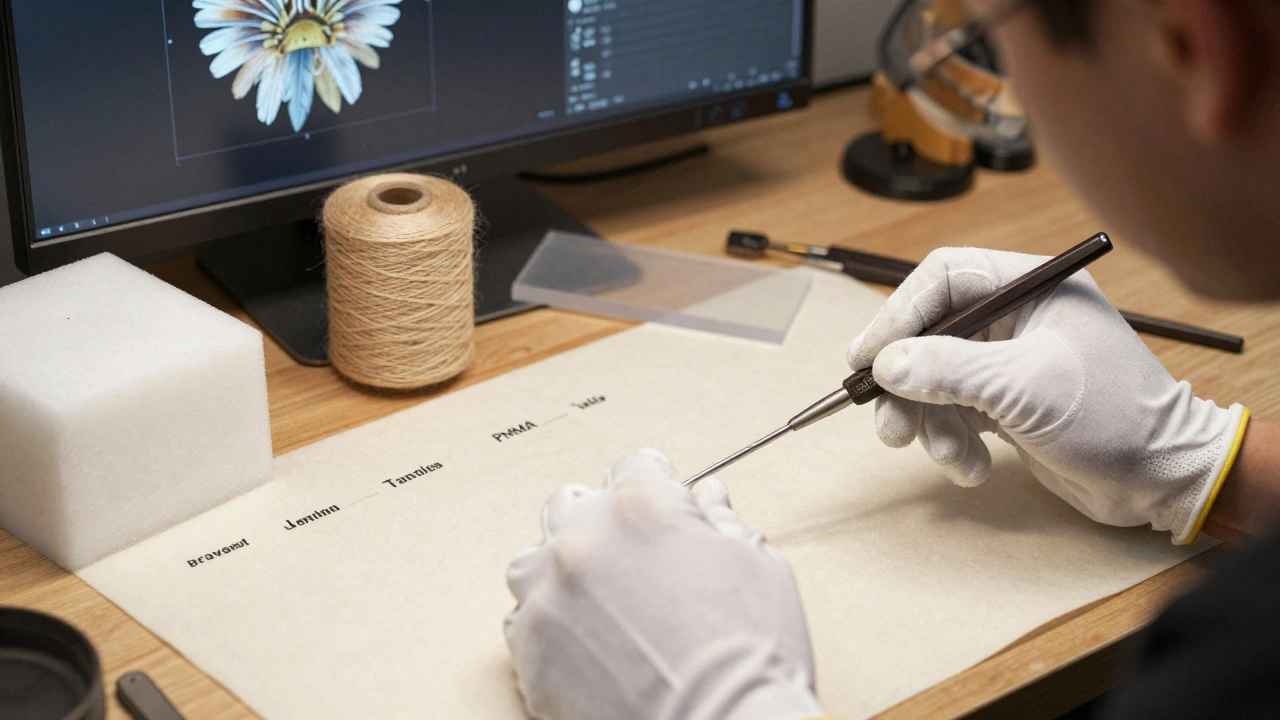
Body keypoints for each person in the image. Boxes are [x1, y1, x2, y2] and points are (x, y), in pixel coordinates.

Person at [503, 0, 1280, 717]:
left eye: (985, 42)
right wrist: (1207, 465)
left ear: (1193, 48)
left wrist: (717, 700)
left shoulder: (1229, 665)